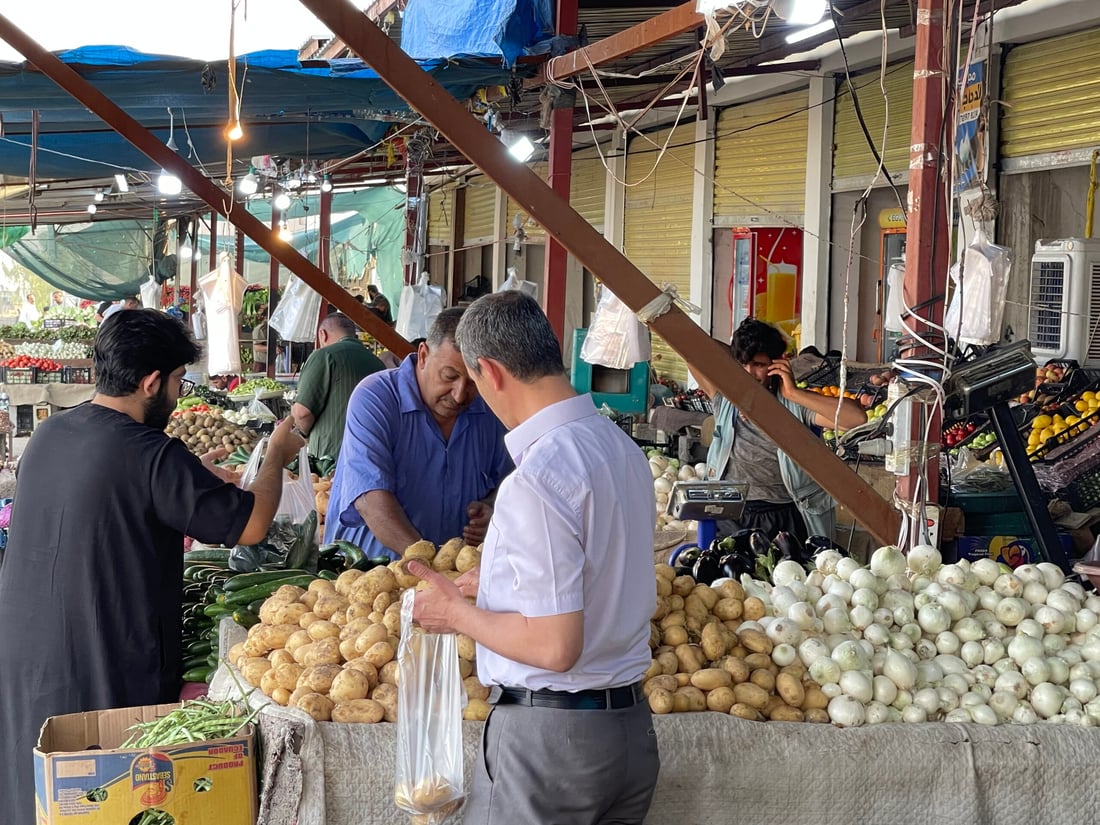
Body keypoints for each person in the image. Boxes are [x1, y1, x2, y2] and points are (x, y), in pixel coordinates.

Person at [0, 308, 305, 825]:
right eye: (178, 382)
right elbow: (252, 524)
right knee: (107, 798)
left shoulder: (50, 436)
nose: (178, 396)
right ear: (150, 382)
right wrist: (275, 455)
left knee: (37, 790)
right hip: (102, 669)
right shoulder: (150, 453)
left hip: (29, 658)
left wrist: (193, 477)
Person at [408, 291, 660, 825]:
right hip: (630, 734)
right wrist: (496, 582)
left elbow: (554, 646)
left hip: (553, 745)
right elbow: (598, 570)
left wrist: (455, 614)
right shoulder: (621, 451)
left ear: (492, 373)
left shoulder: (539, 478)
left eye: (474, 381)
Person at [323, 308, 511, 557]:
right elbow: (371, 501)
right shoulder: (375, 398)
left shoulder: (488, 411)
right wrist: (429, 567)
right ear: (423, 356)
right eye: (449, 376)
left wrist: (491, 507)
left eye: (473, 382)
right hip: (365, 576)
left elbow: (511, 479)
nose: (459, 394)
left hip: (451, 580)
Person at [700, 317, 866, 542]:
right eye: (743, 364)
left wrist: (794, 393)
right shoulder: (726, 398)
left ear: (777, 364)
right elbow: (696, 350)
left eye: (758, 365)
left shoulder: (794, 406)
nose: (749, 373)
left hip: (781, 516)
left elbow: (855, 418)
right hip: (729, 515)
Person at [292, 313, 385, 461]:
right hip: (371, 456)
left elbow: (302, 413)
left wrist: (302, 432)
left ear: (322, 334)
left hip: (330, 459)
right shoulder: (378, 363)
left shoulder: (324, 355)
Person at [252, 305, 269, 373]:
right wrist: (272, 349)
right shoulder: (260, 329)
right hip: (261, 364)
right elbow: (257, 347)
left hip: (274, 363)